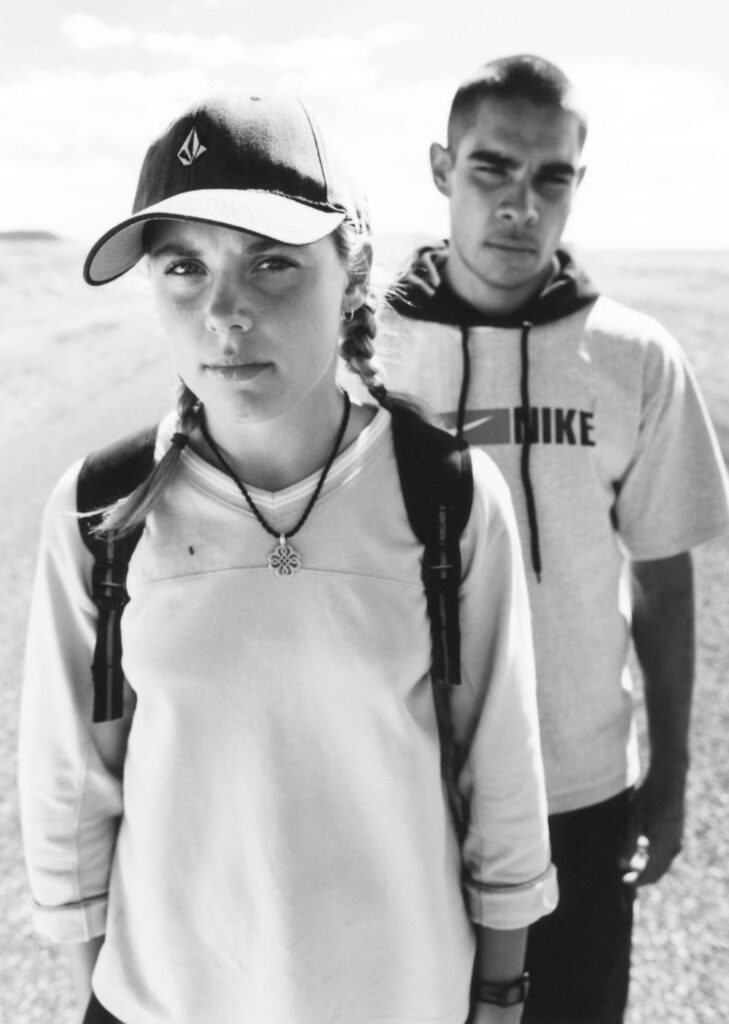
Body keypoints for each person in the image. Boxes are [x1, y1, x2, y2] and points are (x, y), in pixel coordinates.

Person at [18, 92, 558, 1024]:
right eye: (183, 266)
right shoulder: (101, 509)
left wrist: (500, 998)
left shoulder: (447, 498)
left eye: (271, 263)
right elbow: (70, 792)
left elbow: (500, 777)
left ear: (349, 274)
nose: (224, 312)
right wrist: (95, 996)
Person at [350, 55, 729, 1024]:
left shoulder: (636, 360)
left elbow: (661, 577)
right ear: (442, 168)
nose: (521, 204)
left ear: (577, 183)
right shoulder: (361, 359)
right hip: (401, 791)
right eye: (491, 169)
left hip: (582, 793)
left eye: (550, 175)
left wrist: (672, 778)